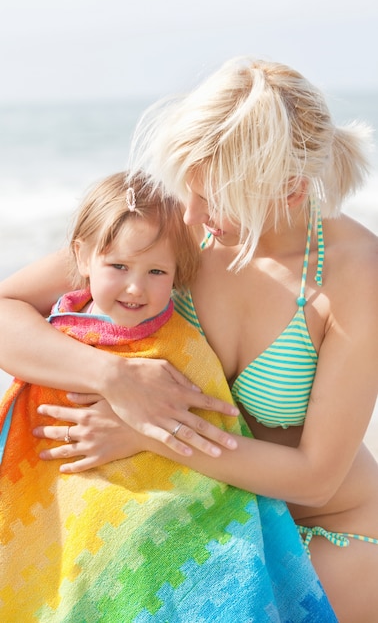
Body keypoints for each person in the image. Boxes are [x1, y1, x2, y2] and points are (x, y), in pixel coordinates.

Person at [0, 56, 377, 621]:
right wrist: (114, 377)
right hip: (202, 520)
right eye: (190, 188)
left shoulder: (357, 273)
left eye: (215, 197)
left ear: (293, 189)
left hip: (327, 535)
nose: (192, 213)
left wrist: (153, 432)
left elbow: (316, 477)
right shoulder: (178, 225)